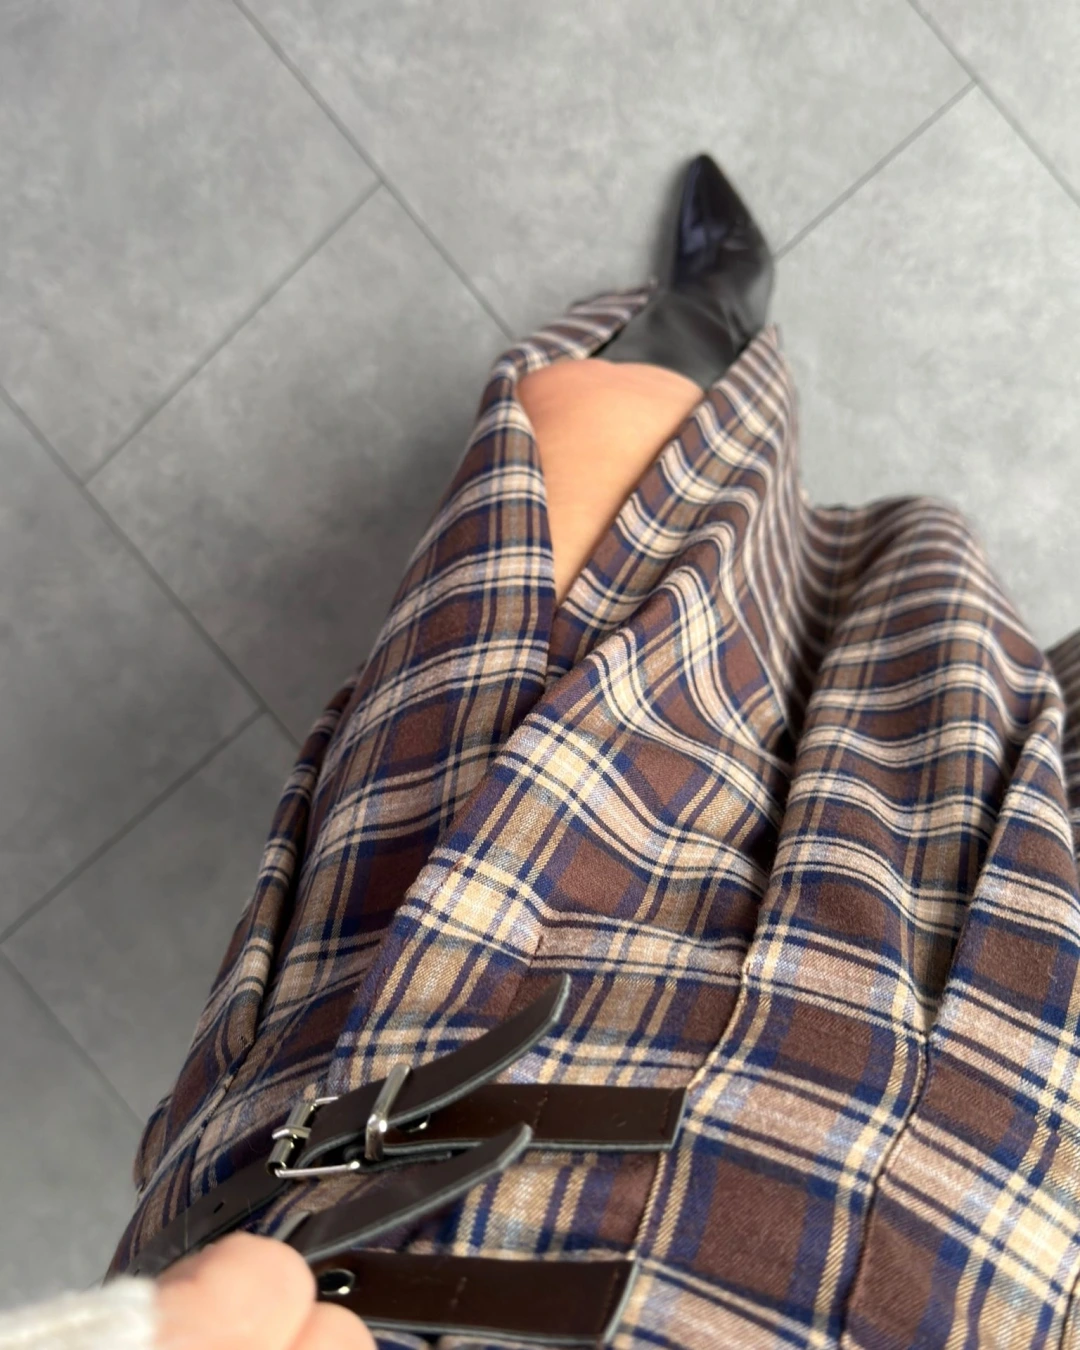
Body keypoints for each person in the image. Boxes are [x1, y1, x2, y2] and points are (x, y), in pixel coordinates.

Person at [5, 153, 1080, 1348]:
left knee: (588, 456)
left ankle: (702, 322)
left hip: (405, 1131)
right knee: (1001, 745)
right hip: (987, 1237)